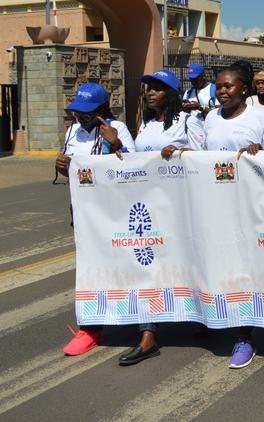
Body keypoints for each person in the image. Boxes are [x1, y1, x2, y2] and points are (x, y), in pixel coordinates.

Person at [186, 60, 264, 369]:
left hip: (247, 204)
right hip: (214, 203)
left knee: (244, 269)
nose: (222, 92)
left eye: (229, 86)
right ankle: (213, 316)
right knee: (216, 262)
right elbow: (199, 157)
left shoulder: (261, 118)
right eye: (219, 86)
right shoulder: (210, 118)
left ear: (244, 89)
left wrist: (259, 153)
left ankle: (245, 335)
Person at [117, 69, 202, 365]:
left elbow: (206, 159)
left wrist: (182, 153)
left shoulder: (189, 121)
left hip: (181, 209)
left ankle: (203, 318)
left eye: (158, 88)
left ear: (173, 93)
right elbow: (135, 161)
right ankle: (147, 334)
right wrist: (117, 147)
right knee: (147, 267)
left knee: (186, 265)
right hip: (150, 209)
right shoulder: (146, 125)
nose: (150, 93)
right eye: (148, 88)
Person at [56, 83, 136, 356]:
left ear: (103, 109)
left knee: (123, 265)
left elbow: (135, 169)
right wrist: (62, 167)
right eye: (79, 112)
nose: (82, 117)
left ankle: (136, 317)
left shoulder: (119, 128)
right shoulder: (72, 132)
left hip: (114, 212)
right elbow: (74, 171)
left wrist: (116, 143)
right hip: (82, 212)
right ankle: (91, 328)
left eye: (88, 112)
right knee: (90, 270)